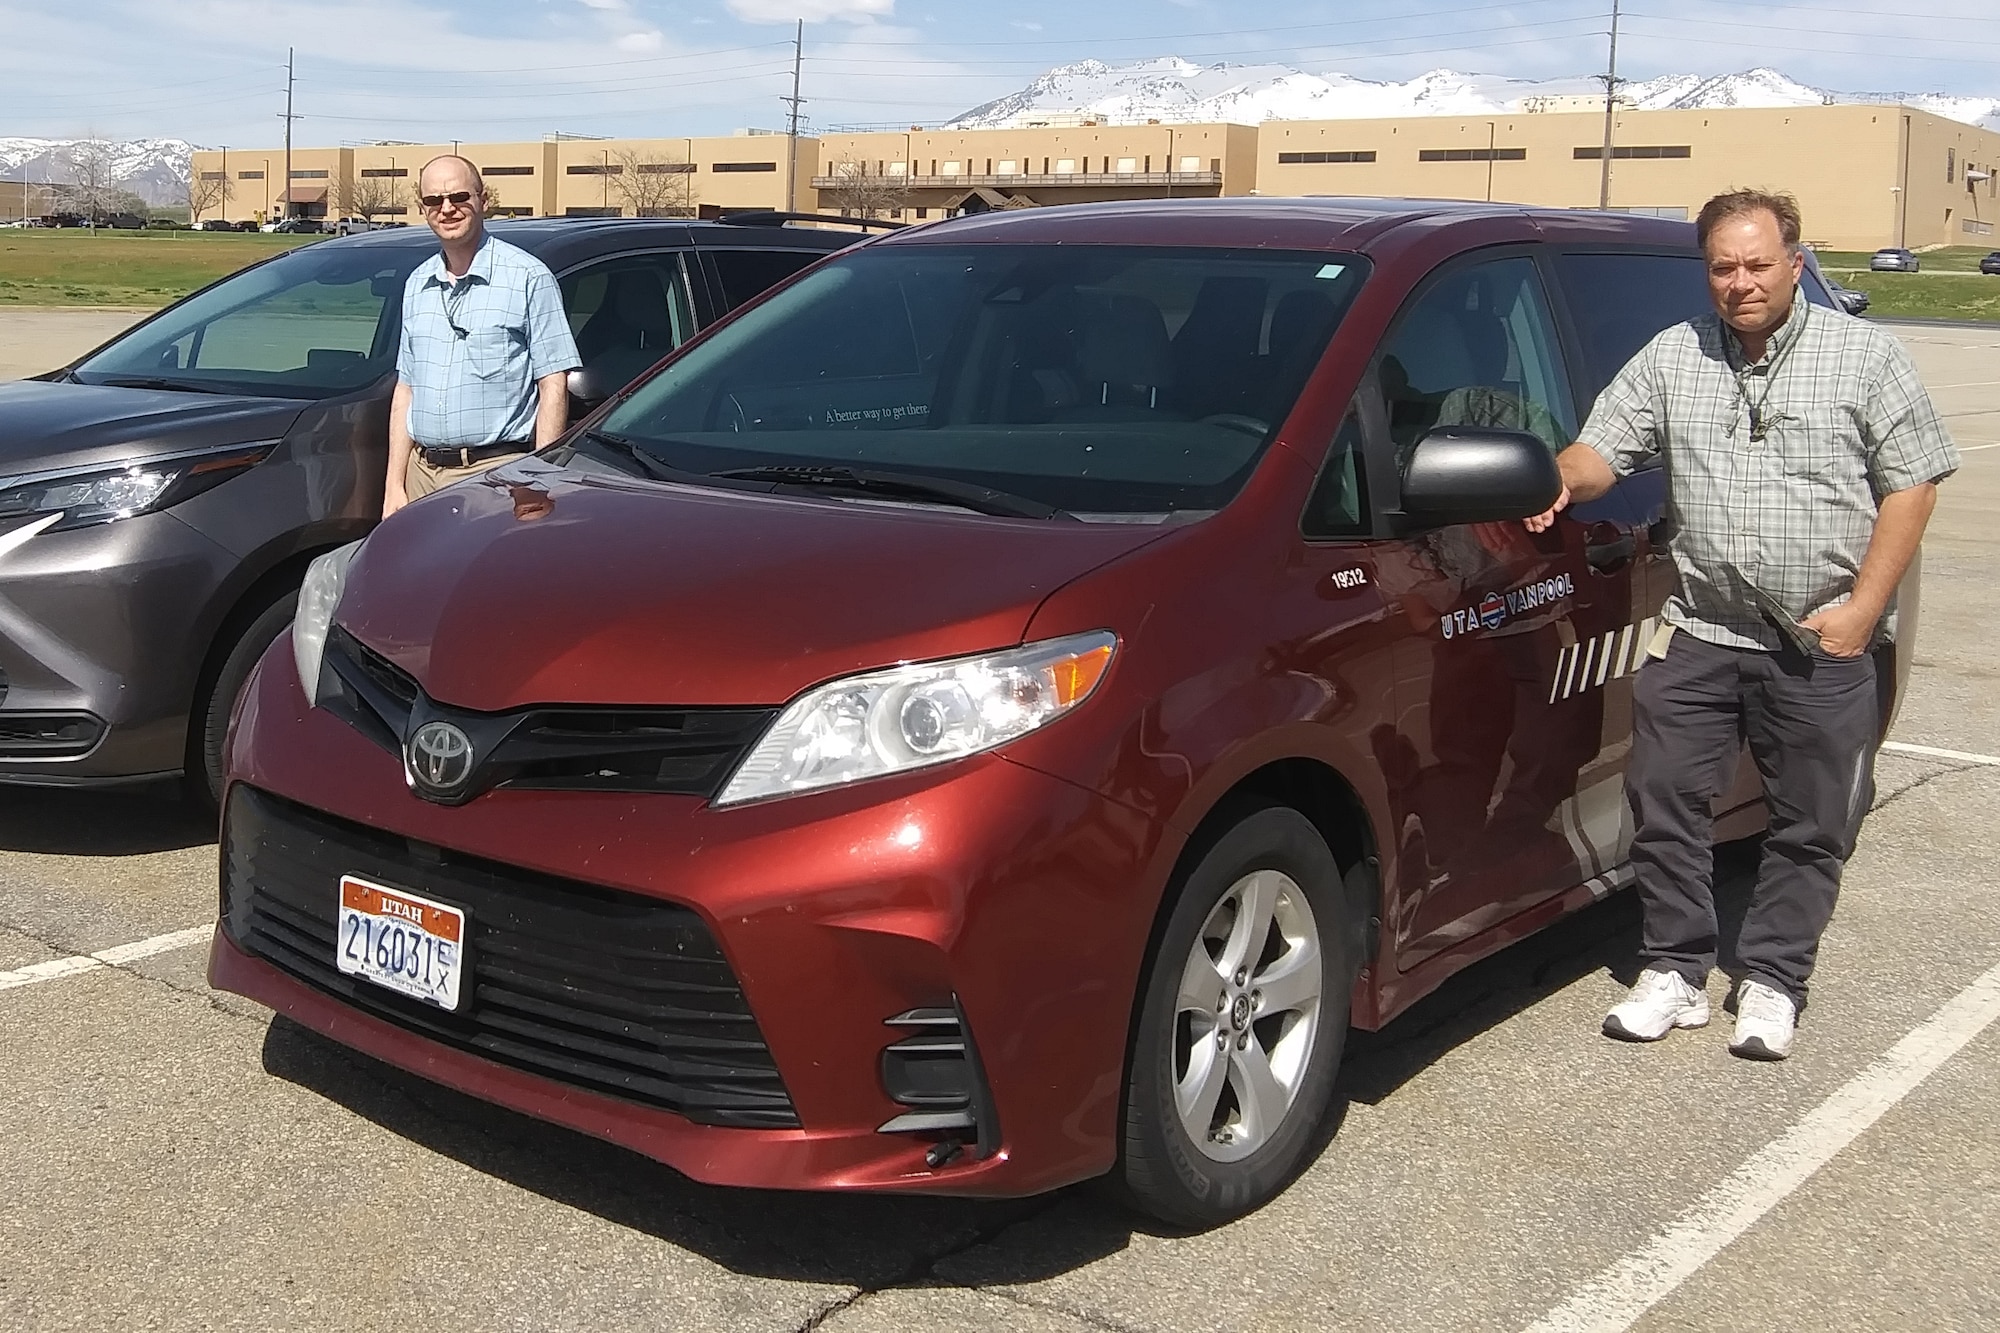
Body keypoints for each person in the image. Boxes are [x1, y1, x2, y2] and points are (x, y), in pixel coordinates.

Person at [1526, 189, 1958, 1060]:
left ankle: (1772, 979)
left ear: (1795, 263)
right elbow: (1604, 447)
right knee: (1664, 802)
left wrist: (1863, 611)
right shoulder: (1672, 357)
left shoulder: (1863, 357)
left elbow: (1913, 482)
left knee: (1810, 823)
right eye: (1723, 266)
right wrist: (1559, 476)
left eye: (1758, 263)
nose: (1741, 282)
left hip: (1817, 641)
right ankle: (1677, 971)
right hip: (1704, 631)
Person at [383, 155, 580, 517]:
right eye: (434, 200)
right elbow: (406, 389)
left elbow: (553, 381)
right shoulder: (417, 284)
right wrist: (394, 485)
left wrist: (539, 480)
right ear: (422, 208)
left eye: (459, 197)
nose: (447, 209)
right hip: (421, 474)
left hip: (497, 475)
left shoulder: (527, 277)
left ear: (483, 200)